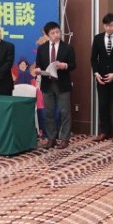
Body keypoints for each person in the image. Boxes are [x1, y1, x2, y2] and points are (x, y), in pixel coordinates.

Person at [34, 21, 76, 150]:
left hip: (62, 84)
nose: (56, 34)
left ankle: (64, 139)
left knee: (65, 112)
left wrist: (65, 65)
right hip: (47, 84)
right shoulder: (42, 48)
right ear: (47, 35)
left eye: (58, 32)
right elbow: (38, 65)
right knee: (49, 113)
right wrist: (37, 70)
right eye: (53, 33)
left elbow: (73, 65)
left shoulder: (67, 48)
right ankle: (51, 138)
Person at [90, 13, 113, 143]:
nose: (108, 28)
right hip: (101, 78)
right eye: (106, 25)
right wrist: (96, 73)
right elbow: (93, 58)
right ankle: (104, 131)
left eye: (111, 25)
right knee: (103, 105)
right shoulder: (98, 38)